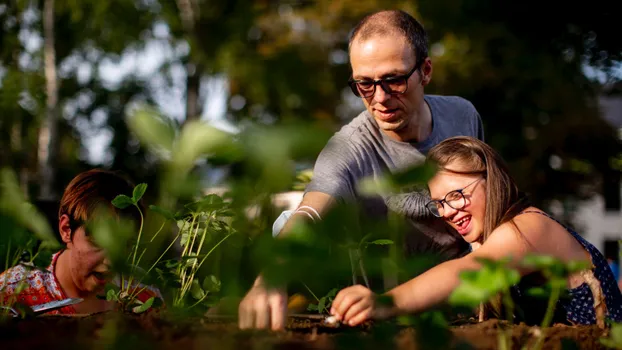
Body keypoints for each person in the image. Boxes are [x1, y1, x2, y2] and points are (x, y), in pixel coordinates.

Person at [238, 9, 485, 330]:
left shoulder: (462, 117)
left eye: (393, 80)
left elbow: (487, 200)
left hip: (455, 283)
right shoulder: (349, 148)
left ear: (425, 71)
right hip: (378, 297)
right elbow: (310, 213)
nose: (379, 98)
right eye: (364, 85)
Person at [330, 136, 622, 326]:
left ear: (491, 180)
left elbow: (468, 271)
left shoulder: (530, 227)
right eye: (438, 204)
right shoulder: (490, 241)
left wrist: (385, 303)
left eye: (456, 195)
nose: (446, 212)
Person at [0, 169, 161, 315]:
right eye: (98, 242)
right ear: (66, 229)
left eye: (125, 245)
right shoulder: (12, 293)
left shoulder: (143, 292)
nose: (111, 261)